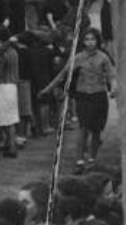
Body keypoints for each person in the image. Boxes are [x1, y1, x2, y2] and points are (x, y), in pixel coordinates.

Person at [41, 28, 113, 173]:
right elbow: (63, 74)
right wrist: (48, 89)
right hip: (83, 96)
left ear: (98, 40)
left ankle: (92, 159)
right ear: (83, 41)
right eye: (87, 39)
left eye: (93, 39)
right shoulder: (78, 57)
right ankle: (79, 161)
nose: (90, 42)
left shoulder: (103, 57)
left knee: (97, 130)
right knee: (83, 129)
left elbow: (112, 75)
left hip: (99, 96)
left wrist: (115, 88)